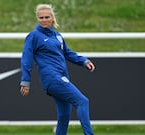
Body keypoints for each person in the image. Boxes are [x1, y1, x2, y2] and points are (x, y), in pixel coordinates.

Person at [20, 4, 95, 135]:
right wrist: (25, 81)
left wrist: (84, 61)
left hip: (61, 77)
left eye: (46, 17)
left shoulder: (57, 36)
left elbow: (68, 53)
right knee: (82, 101)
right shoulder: (34, 36)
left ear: (52, 18)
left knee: (64, 116)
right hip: (52, 78)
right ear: (37, 19)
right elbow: (26, 59)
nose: (44, 20)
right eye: (41, 17)